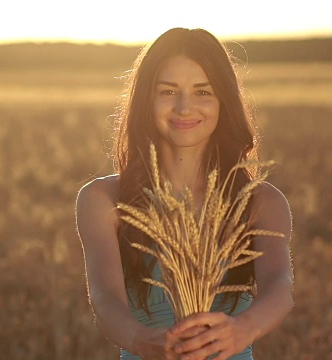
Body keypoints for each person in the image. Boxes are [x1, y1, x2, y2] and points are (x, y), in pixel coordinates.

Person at [75, 27, 294, 360]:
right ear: (145, 99)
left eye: (203, 92)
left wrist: (242, 330)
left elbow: (280, 286)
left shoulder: (260, 202)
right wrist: (142, 340)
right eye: (168, 91)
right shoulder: (103, 200)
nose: (184, 107)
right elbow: (104, 298)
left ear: (224, 101)